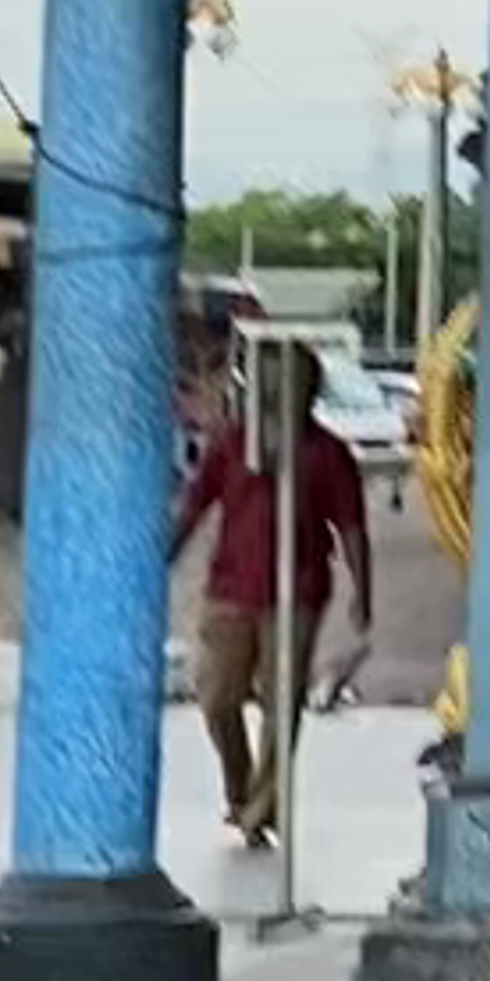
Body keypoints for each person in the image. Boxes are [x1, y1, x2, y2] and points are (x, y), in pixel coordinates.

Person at [169, 345, 372, 849]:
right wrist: (159, 562)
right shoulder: (233, 446)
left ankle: (260, 811)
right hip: (231, 591)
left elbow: (351, 528)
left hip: (297, 595)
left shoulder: (327, 453)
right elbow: (195, 506)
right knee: (217, 696)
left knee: (283, 705)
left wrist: (363, 591)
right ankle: (240, 792)